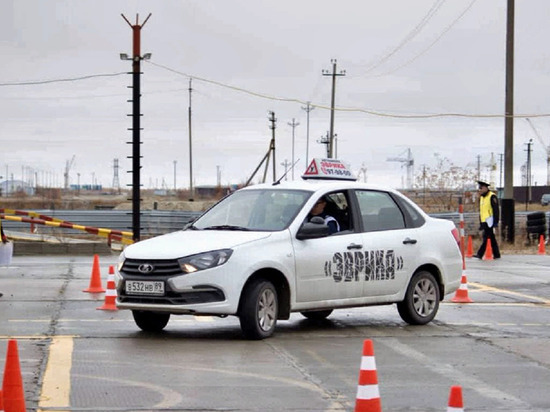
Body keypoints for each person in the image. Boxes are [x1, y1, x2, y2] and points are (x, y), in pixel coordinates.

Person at [475, 180, 501, 259]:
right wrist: (481, 223)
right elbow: (482, 211)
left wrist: (495, 222)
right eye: (479, 188)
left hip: (490, 221)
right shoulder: (482, 198)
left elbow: (496, 210)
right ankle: (497, 254)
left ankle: (480, 254)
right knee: (491, 238)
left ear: (486, 188)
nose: (480, 190)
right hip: (484, 221)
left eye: (481, 188)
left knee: (486, 238)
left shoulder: (492, 196)